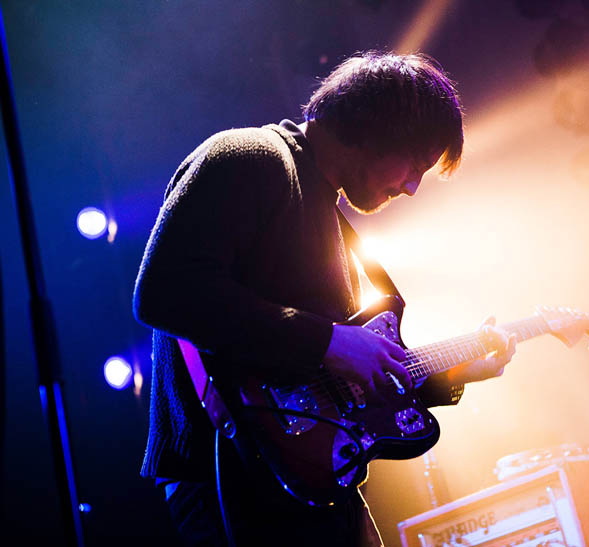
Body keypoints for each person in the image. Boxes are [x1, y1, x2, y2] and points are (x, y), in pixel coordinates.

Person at [133, 51, 516, 547]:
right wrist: (329, 341)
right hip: (230, 474)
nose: (412, 187)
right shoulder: (248, 157)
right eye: (415, 165)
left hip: (311, 477)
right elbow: (164, 291)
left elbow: (324, 385)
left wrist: (450, 377)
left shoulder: (328, 213)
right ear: (378, 129)